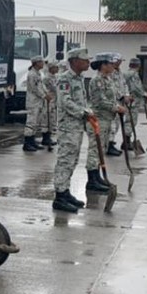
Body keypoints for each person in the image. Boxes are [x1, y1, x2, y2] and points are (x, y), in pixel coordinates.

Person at [51, 47, 104, 212]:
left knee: (72, 161)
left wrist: (88, 111)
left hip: (76, 126)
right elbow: (65, 102)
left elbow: (82, 101)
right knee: (65, 160)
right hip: (67, 127)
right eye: (85, 59)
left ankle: (65, 192)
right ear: (74, 61)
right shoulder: (64, 79)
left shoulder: (79, 78)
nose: (88, 62)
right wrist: (84, 112)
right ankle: (59, 196)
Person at [87, 53, 125, 191]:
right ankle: (91, 180)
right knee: (94, 150)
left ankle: (97, 177)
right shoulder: (96, 80)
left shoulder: (108, 80)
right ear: (103, 65)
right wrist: (116, 108)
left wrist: (118, 106)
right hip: (98, 120)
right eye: (110, 64)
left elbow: (112, 97)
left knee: (101, 150)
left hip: (107, 119)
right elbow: (100, 101)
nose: (113, 66)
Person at [124, 57, 147, 151]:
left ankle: (126, 141)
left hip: (129, 100)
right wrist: (145, 94)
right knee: (131, 121)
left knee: (129, 120)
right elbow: (136, 87)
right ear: (139, 66)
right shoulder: (134, 74)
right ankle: (126, 142)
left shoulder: (127, 73)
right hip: (133, 101)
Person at [23, 55, 47, 151]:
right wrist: (44, 96)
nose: (43, 64)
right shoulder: (32, 74)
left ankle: (32, 141)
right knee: (31, 122)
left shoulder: (38, 73)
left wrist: (46, 93)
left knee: (36, 122)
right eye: (41, 62)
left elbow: (41, 86)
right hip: (33, 102)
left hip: (38, 102)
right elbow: (35, 89)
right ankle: (27, 142)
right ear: (36, 63)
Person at [105, 53, 127, 156]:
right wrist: (121, 96)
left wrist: (126, 94)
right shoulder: (110, 73)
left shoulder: (119, 72)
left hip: (121, 101)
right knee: (112, 125)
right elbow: (112, 87)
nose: (120, 63)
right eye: (119, 61)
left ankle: (111, 142)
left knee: (117, 124)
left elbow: (124, 84)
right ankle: (108, 145)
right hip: (114, 101)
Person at [43, 60, 60, 147]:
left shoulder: (55, 77)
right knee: (48, 119)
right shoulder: (47, 78)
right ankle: (46, 138)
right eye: (56, 67)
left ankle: (49, 137)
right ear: (51, 68)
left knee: (53, 120)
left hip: (55, 101)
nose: (57, 69)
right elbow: (54, 88)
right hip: (49, 101)